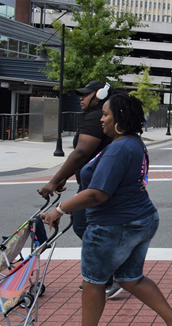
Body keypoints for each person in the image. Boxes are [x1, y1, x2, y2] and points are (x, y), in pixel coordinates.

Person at [42, 93, 172, 326]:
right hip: (141, 218)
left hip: (113, 224)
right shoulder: (133, 143)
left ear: (120, 119)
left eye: (106, 114)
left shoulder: (118, 148)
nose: (101, 119)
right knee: (130, 278)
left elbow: (98, 193)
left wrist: (61, 208)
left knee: (93, 281)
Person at [38, 80, 122, 299]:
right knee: (84, 227)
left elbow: (81, 153)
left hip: (97, 186)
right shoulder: (96, 116)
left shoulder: (96, 117)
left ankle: (111, 276)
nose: (80, 98)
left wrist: (55, 180)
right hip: (94, 183)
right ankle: (109, 275)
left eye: (85, 95)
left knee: (87, 228)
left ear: (100, 94)